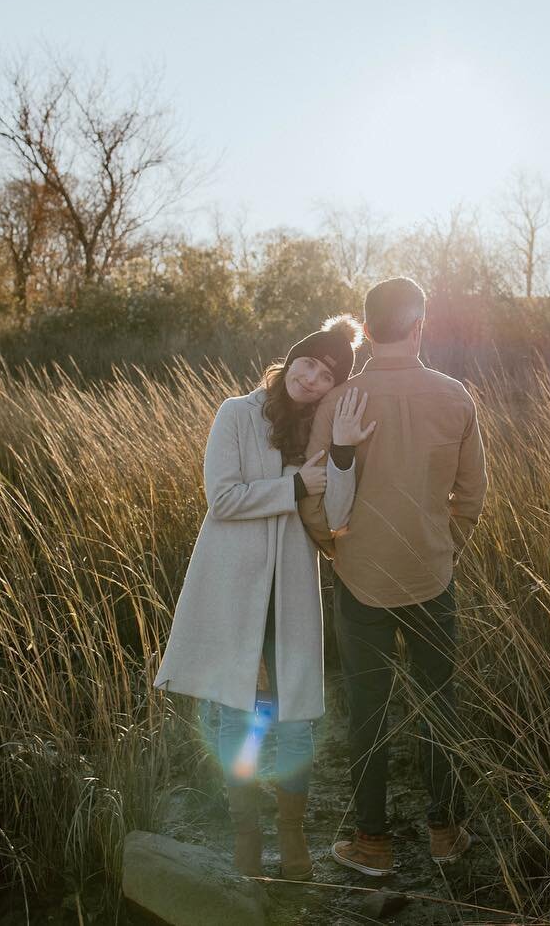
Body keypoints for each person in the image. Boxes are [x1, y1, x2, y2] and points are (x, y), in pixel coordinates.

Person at [152, 314, 374, 880]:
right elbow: (223, 498)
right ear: (291, 359)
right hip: (234, 589)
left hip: (292, 594)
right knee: (236, 714)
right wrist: (296, 485)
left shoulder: (321, 429)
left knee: (296, 720)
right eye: (310, 363)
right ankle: (247, 837)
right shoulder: (236, 413)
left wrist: (343, 454)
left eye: (328, 375)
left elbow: (338, 516)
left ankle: (292, 836)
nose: (314, 378)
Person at [298, 277, 488, 877]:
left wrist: (335, 550)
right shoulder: (456, 396)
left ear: (367, 324)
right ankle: (445, 832)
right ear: (420, 325)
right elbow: (473, 498)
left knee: (367, 708)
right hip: (432, 574)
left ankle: (372, 843)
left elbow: (314, 496)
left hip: (358, 578)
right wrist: (443, 550)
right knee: (439, 702)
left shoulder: (338, 400)